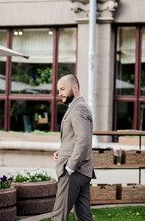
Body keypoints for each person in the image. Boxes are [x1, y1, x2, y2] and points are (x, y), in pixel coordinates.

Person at [52, 74, 96, 221]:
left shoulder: (78, 109)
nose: (60, 94)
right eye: (59, 91)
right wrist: (63, 151)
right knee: (84, 217)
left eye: (63, 89)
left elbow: (83, 140)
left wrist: (70, 166)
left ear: (75, 88)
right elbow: (77, 139)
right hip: (82, 171)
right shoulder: (78, 107)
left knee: (59, 216)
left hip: (74, 173)